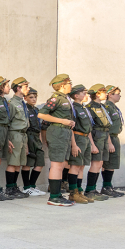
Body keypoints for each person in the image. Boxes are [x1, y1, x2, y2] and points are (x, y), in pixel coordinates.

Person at [38, 74, 78, 206]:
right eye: (69, 83)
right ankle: (54, 197)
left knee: (61, 165)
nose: (71, 85)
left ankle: (57, 194)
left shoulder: (65, 98)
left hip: (65, 132)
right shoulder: (55, 98)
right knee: (56, 164)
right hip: (57, 132)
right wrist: (63, 121)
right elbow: (42, 114)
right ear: (62, 85)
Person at [66, 85, 96, 203]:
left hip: (85, 138)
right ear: (76, 95)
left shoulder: (83, 108)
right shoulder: (73, 108)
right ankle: (73, 193)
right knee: (75, 165)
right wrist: (74, 144)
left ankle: (79, 191)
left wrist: (91, 143)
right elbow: (71, 128)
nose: (86, 95)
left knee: (81, 166)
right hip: (77, 138)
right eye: (83, 93)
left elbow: (88, 128)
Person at [84, 84, 114, 201]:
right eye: (104, 92)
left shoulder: (102, 107)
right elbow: (89, 128)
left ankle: (94, 189)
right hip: (96, 136)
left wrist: (109, 141)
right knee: (96, 163)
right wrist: (92, 144)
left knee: (100, 163)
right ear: (97, 93)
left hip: (104, 136)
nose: (106, 94)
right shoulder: (90, 107)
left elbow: (107, 126)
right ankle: (90, 190)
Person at [3, 78, 31, 199]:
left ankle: (14, 187)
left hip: (23, 135)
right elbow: (7, 122)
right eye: (26, 87)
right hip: (15, 134)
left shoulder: (22, 102)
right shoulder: (12, 103)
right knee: (13, 162)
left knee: (19, 163)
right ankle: (9, 188)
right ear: (18, 88)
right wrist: (8, 139)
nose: (28, 89)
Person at [99, 85, 125, 196]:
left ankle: (108, 186)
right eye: (118, 93)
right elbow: (106, 126)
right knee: (108, 163)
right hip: (109, 137)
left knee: (112, 163)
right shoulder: (107, 107)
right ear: (110, 94)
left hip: (114, 137)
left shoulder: (114, 107)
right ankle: (106, 187)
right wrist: (109, 142)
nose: (120, 96)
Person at [22, 88, 47, 195]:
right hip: (29, 136)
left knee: (40, 162)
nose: (34, 99)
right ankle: (26, 187)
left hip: (37, 137)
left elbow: (40, 126)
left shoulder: (36, 110)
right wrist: (26, 143)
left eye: (35, 97)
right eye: (31, 97)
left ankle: (32, 186)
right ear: (25, 98)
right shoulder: (24, 109)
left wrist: (41, 140)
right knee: (28, 163)